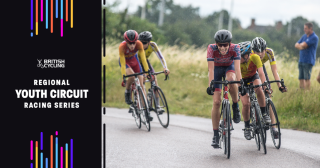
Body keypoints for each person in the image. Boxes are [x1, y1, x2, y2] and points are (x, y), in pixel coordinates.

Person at [206, 30, 242, 148]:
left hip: (229, 68)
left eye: (225, 44)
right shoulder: (211, 48)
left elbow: (237, 69)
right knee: (216, 102)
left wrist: (241, 85)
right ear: (216, 43)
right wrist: (210, 85)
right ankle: (216, 135)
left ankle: (235, 105)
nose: (222, 47)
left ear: (230, 43)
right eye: (220, 45)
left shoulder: (235, 48)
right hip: (216, 70)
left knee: (231, 79)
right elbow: (210, 70)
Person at [251, 37, 287, 139]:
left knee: (268, 97)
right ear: (253, 50)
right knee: (253, 93)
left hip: (262, 69)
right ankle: (254, 117)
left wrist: (280, 86)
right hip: (251, 70)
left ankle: (274, 128)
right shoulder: (250, 54)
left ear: (265, 49)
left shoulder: (269, 52)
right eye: (257, 51)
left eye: (262, 50)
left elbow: (274, 71)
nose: (260, 54)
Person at [238, 41, 271, 140]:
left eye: (243, 56)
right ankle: (247, 127)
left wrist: (265, 85)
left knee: (260, 89)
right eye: (240, 55)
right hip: (242, 80)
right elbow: (236, 76)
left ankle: (264, 113)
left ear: (248, 54)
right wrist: (240, 88)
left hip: (253, 76)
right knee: (246, 104)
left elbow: (261, 73)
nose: (240, 58)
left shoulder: (255, 57)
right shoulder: (237, 61)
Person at [119, 30, 153, 121]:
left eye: (133, 43)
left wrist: (147, 71)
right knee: (132, 76)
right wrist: (123, 75)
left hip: (134, 61)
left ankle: (146, 112)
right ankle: (127, 91)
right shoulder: (122, 47)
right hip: (126, 62)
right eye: (130, 43)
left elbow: (143, 59)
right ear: (126, 42)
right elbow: (122, 63)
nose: (132, 46)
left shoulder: (139, 44)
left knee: (142, 86)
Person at [137, 31, 170, 113]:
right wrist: (143, 73)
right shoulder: (137, 46)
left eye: (144, 43)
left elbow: (161, 57)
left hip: (146, 62)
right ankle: (141, 102)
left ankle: (157, 106)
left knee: (154, 80)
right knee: (142, 81)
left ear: (149, 42)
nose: (142, 44)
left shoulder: (153, 45)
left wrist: (165, 67)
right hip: (137, 63)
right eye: (140, 42)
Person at [295, 22, 319, 89]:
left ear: (310, 28)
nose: (304, 30)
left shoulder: (314, 37)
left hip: (308, 61)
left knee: (307, 78)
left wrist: (302, 46)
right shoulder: (304, 36)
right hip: (301, 60)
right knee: (301, 77)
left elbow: (304, 44)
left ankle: (307, 92)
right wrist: (302, 46)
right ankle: (302, 90)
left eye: (305, 28)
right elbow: (296, 44)